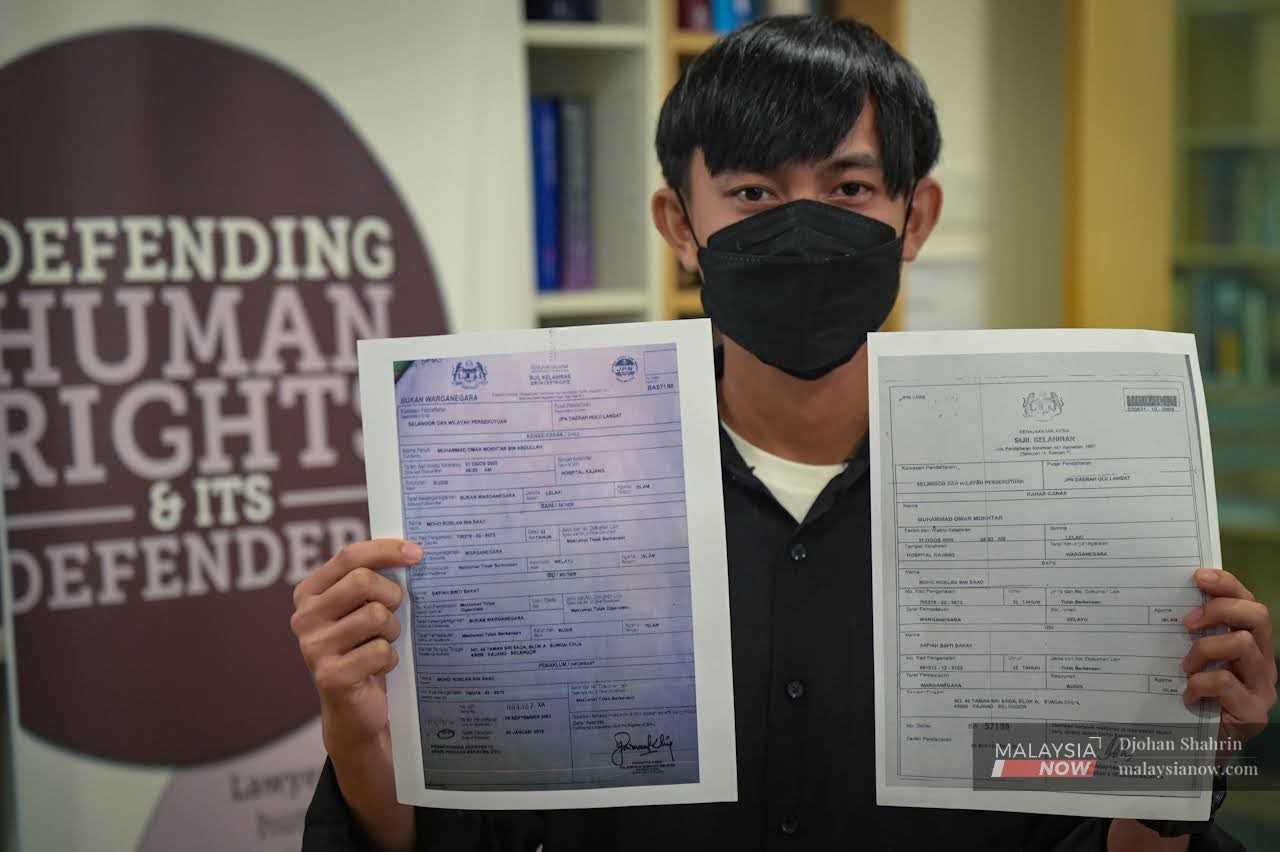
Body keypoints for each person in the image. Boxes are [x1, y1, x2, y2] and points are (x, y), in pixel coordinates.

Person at [292, 15, 1276, 851]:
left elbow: (1061, 806)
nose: (801, 228)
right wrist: (371, 744)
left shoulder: (1054, 505)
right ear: (679, 226)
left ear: (913, 217)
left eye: (848, 190)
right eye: (754, 194)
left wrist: (1168, 765)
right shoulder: (552, 500)